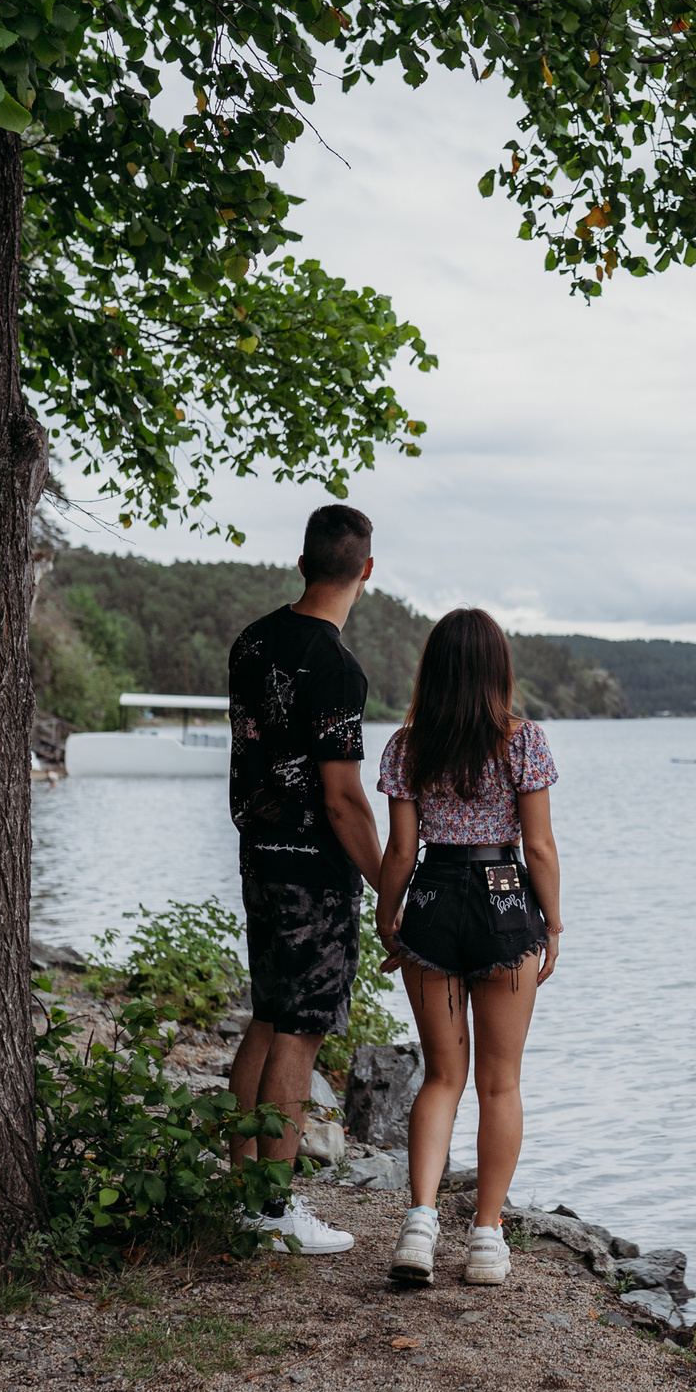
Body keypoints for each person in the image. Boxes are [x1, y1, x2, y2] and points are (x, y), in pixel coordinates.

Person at [374, 609, 563, 1287]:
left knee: (442, 1076)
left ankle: (419, 1226)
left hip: (432, 897)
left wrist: (387, 914)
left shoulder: (405, 746)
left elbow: (400, 849)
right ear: (497, 671)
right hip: (506, 896)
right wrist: (556, 922)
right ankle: (486, 1236)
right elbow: (538, 844)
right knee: (500, 1080)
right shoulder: (524, 742)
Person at [224, 504, 387, 1254]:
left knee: (268, 1014)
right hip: (314, 872)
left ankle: (242, 1192)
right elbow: (345, 797)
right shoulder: (337, 667)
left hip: (258, 854)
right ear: (367, 570)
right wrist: (389, 881)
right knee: (301, 1031)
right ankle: (272, 1212)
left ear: (301, 563)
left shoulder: (252, 640)